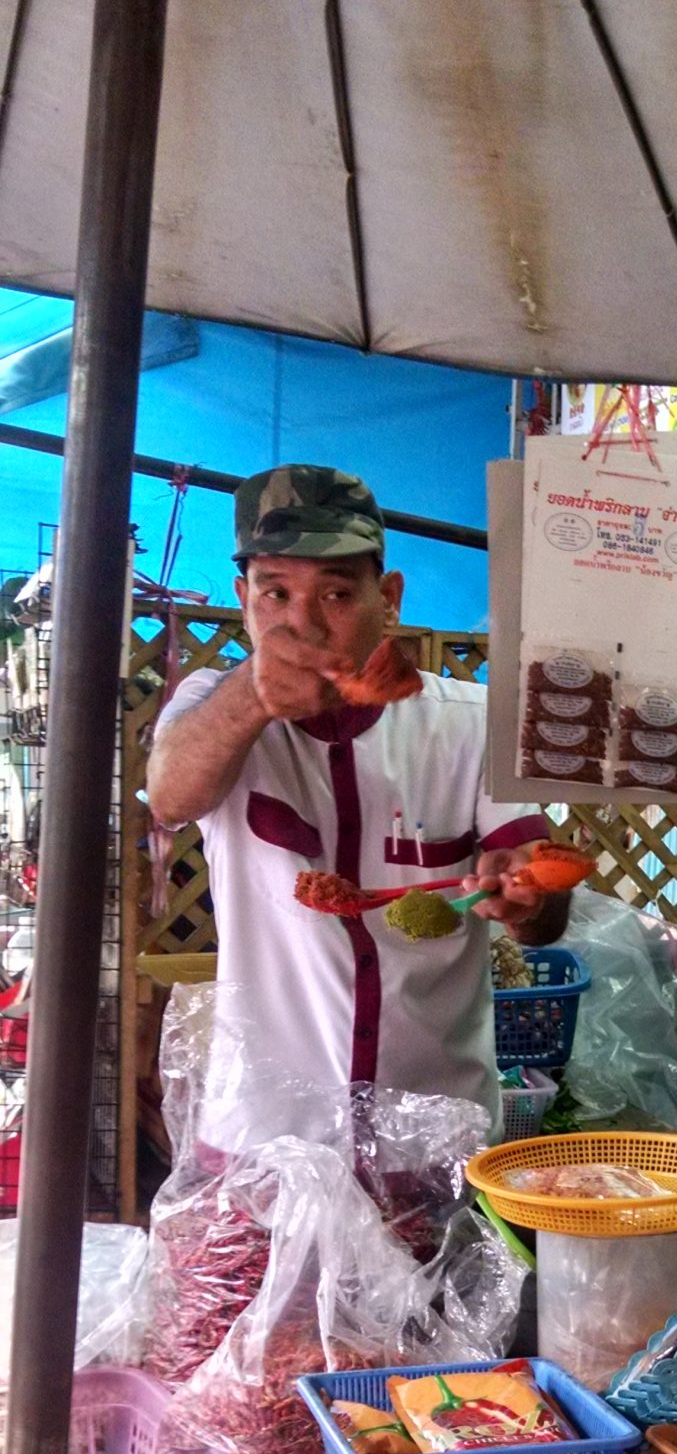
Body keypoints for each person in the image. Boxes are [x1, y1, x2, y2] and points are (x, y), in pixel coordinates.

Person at [146, 465, 564, 1150]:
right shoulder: (208, 706)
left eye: (336, 593)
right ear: (241, 599)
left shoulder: (472, 721)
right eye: (274, 593)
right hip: (268, 1142)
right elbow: (170, 796)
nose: (302, 625)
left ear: (389, 599)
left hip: (433, 1137)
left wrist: (525, 893)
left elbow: (542, 903)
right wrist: (254, 695)